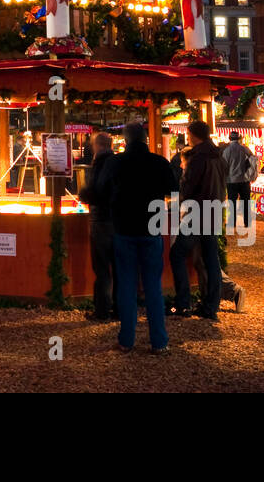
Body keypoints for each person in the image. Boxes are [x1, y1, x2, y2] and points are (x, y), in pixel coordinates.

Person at [100, 122, 178, 353]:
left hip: (124, 229)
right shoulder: (159, 162)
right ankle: (159, 342)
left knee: (126, 285)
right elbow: (173, 190)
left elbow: (100, 190)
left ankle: (126, 340)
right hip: (151, 229)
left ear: (125, 140)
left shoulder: (115, 163)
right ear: (145, 139)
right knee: (153, 286)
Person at [169, 119, 225, 322]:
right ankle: (211, 306)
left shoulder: (198, 158)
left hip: (197, 213)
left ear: (194, 135)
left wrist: (181, 204)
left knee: (177, 254)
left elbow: (188, 186)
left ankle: (183, 302)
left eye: (188, 133)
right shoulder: (218, 156)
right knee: (211, 259)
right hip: (214, 211)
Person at [78, 133, 118, 321]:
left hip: (101, 220)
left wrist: (83, 194)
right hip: (118, 220)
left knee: (101, 268)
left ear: (97, 146)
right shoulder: (119, 162)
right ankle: (120, 309)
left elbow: (95, 191)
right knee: (119, 267)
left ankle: (102, 310)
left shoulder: (100, 163)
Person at [222, 131, 257, 231]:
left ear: (230, 138)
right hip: (244, 180)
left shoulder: (227, 151)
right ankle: (247, 222)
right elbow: (253, 160)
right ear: (239, 138)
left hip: (231, 181)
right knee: (246, 201)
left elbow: (224, 166)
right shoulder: (244, 149)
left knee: (232, 202)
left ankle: (232, 223)